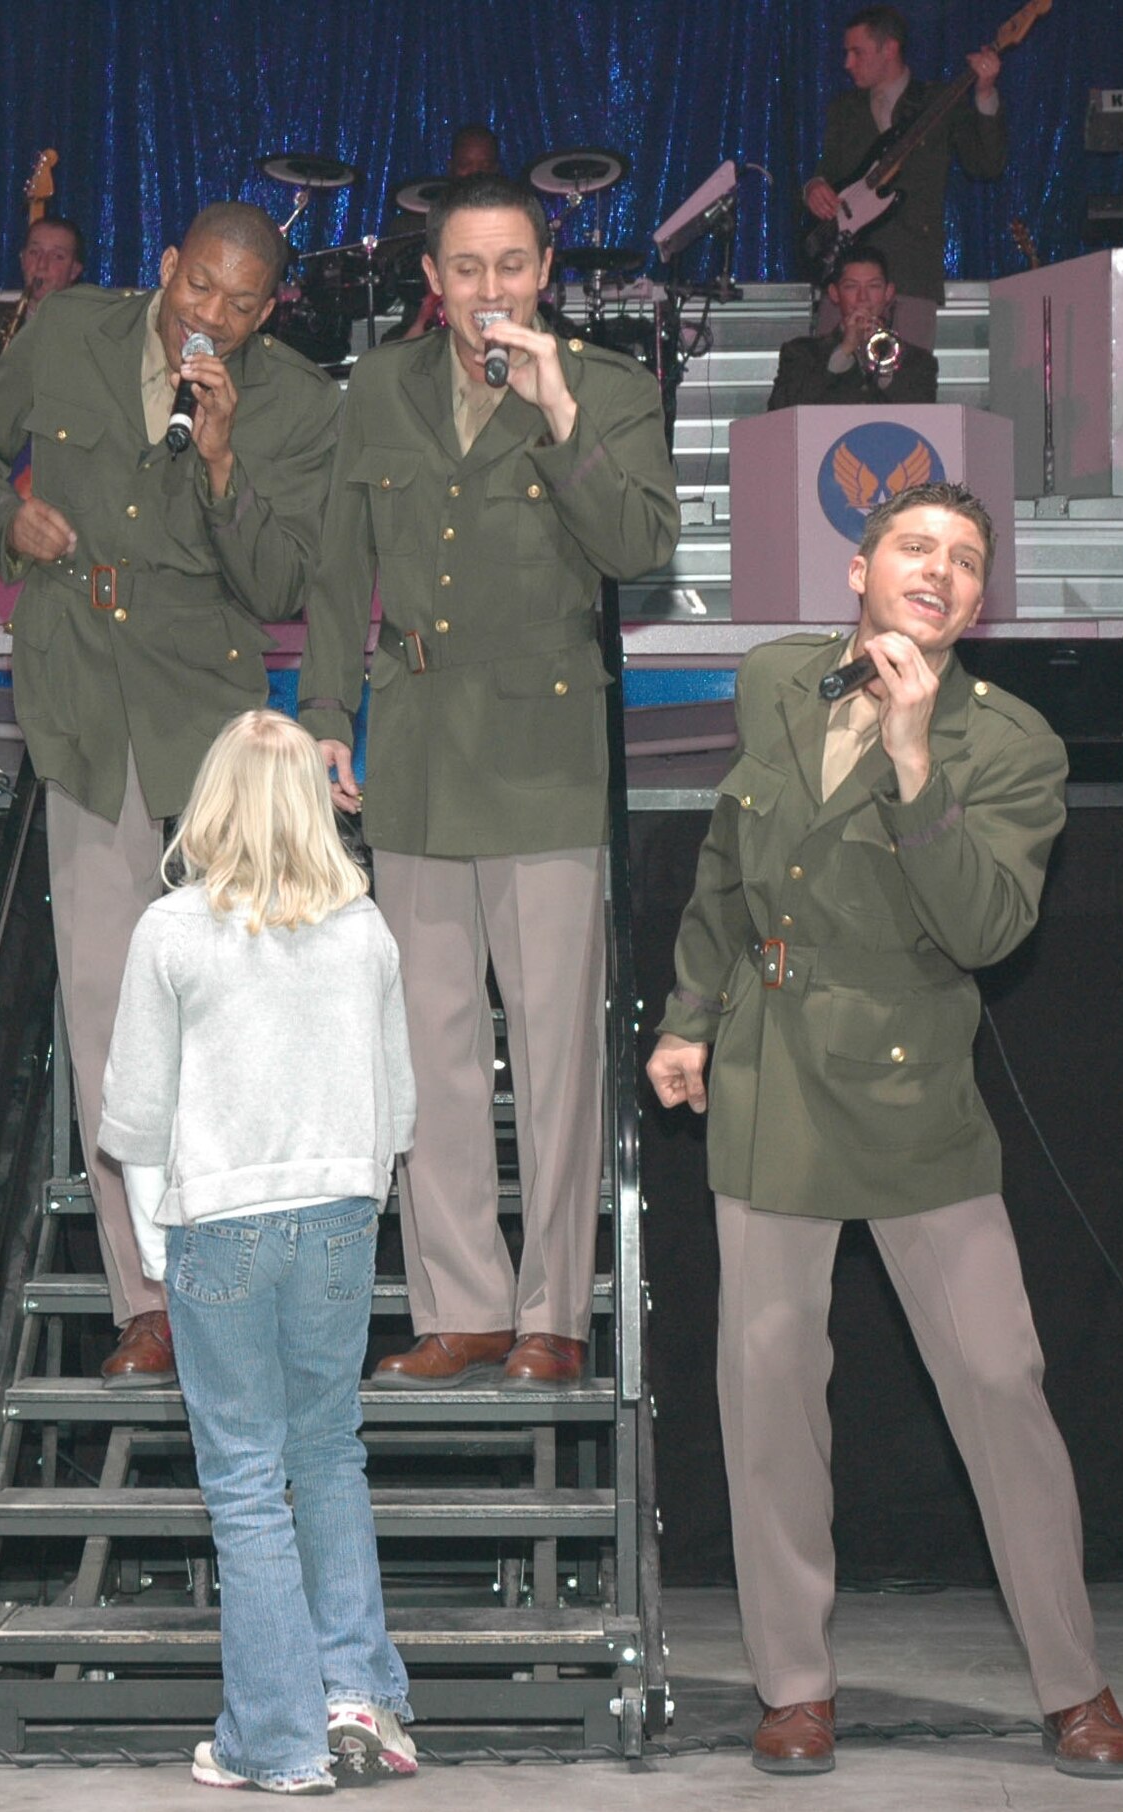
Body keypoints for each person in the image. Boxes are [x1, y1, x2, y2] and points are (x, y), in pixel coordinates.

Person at [644, 483, 1123, 1781]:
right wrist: (690, 1015)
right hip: (770, 1085)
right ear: (860, 564)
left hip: (916, 1094)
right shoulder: (773, 683)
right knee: (767, 1406)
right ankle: (795, 1686)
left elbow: (986, 933)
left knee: (997, 1385)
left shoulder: (1013, 743)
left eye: (967, 560)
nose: (941, 570)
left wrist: (918, 757)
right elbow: (727, 862)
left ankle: (1072, 1682)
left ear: (983, 600)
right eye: (917, 546)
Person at [0, 202, 342, 1389]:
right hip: (81, 706)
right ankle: (148, 1299)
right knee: (110, 1014)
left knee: (230, 1021)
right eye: (198, 287)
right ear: (165, 266)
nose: (210, 315)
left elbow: (279, 584)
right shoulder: (64, 336)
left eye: (240, 302)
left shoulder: (300, 406)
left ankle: (239, 1280)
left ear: (268, 311)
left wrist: (218, 462)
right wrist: (10, 521)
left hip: (206, 723)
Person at [300, 172, 681, 1391]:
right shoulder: (377, 390)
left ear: (544, 271)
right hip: (412, 742)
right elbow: (333, 566)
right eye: (464, 269)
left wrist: (562, 411)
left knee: (560, 1047)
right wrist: (321, 713)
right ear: (431, 279)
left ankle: (550, 1313)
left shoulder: (610, 391)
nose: (487, 291)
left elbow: (639, 547)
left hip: (542, 751)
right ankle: (458, 1305)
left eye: (510, 266)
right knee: (427, 1044)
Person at [98, 708, 417, 1793]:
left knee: (242, 1481)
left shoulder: (172, 930)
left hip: (219, 1223)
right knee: (328, 1453)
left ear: (213, 798)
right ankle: (360, 1701)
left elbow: (135, 1114)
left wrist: (152, 1243)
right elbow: (401, 1109)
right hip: (337, 1215)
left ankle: (273, 1743)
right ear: (313, 803)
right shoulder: (363, 930)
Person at [803, 6, 1005, 355]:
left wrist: (985, 93)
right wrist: (813, 188)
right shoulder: (844, 108)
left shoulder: (938, 101)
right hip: (848, 271)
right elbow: (828, 172)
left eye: (857, 52)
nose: (847, 63)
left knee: (909, 388)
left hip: (912, 271)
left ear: (890, 49)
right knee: (831, 386)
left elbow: (986, 164)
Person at [767, 246, 938, 408]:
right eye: (851, 286)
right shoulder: (801, 353)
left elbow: (926, 416)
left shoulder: (919, 361)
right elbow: (782, 408)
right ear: (834, 293)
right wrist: (845, 349)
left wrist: (884, 368)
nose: (862, 297)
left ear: (888, 293)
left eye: (873, 286)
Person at [0, 217, 87, 404]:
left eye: (57, 256)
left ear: (74, 270)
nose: (42, 265)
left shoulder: (89, 326)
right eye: (34, 253)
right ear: (22, 259)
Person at [388, 123, 505, 342]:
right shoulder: (416, 222)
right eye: (466, 165)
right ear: (451, 167)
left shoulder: (511, 221)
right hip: (429, 326)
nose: (476, 173)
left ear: (496, 169)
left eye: (485, 165)